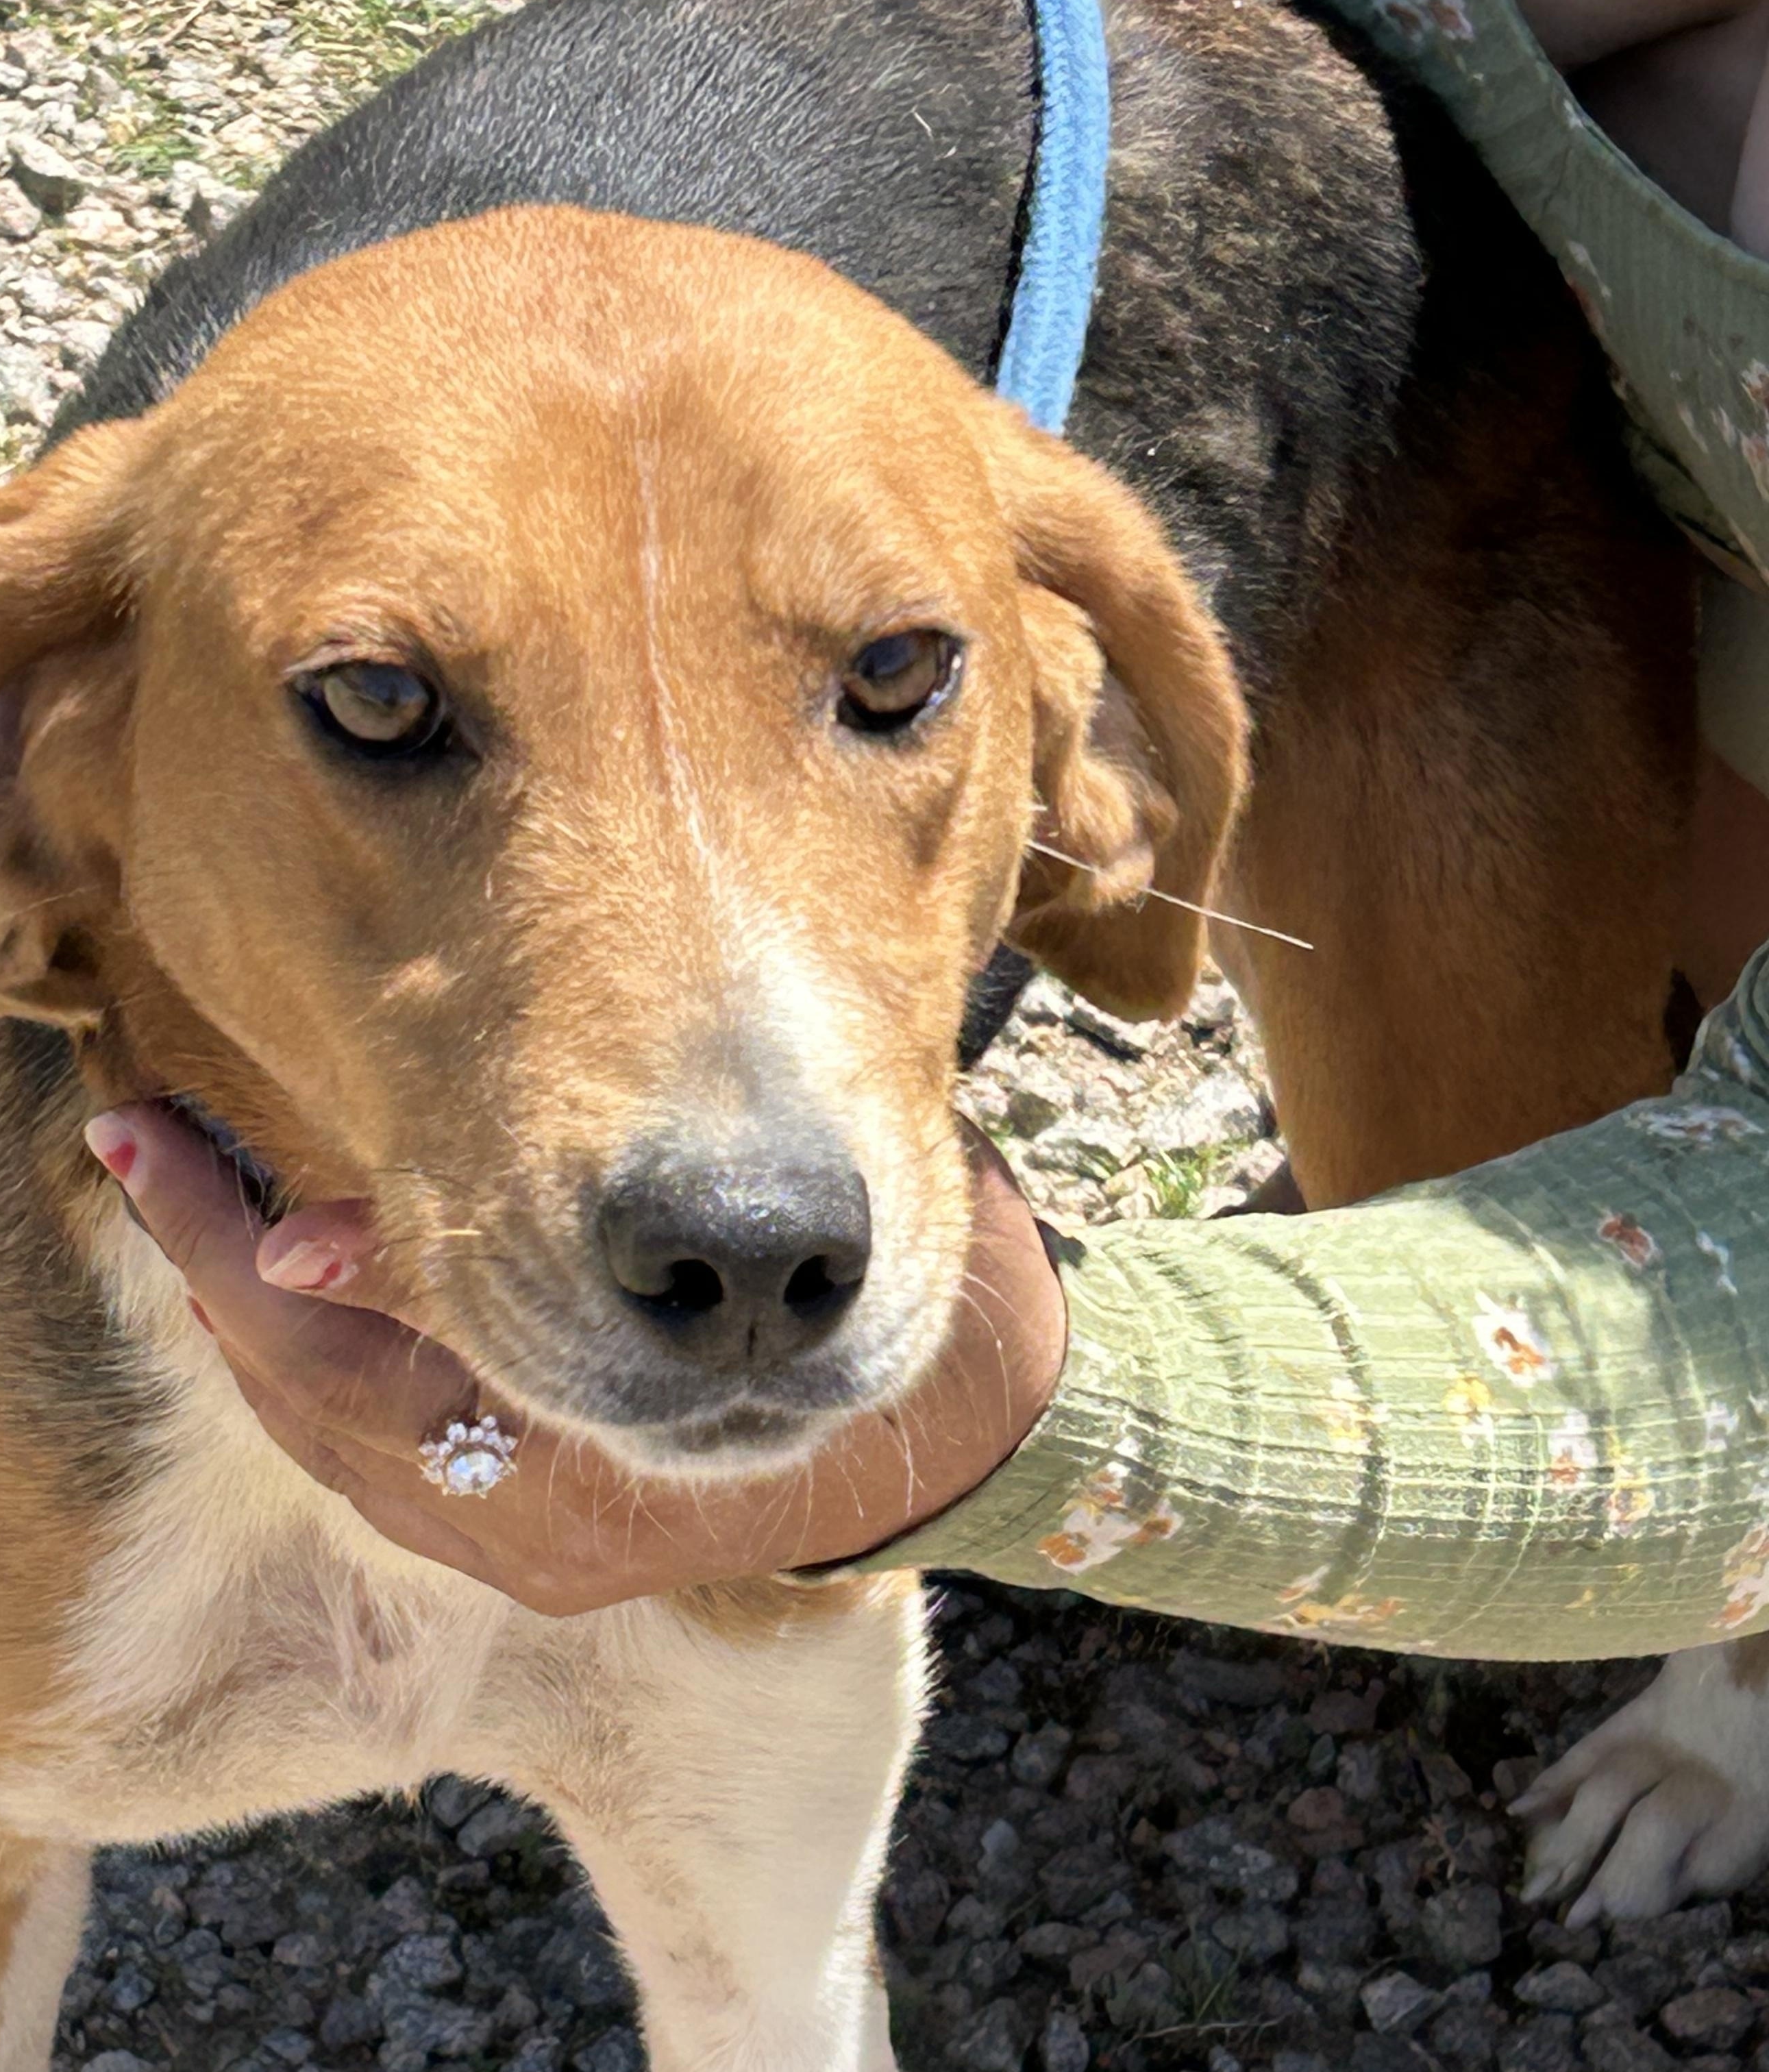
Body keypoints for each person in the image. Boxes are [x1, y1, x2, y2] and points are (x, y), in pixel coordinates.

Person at [86, 0, 1769, 1640]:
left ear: (1094, 737)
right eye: (384, 708)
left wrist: (1049, 1422)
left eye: (891, 677)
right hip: (1558, 142)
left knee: (1485, 1154)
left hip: (1465, 317)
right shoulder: (116, 668)